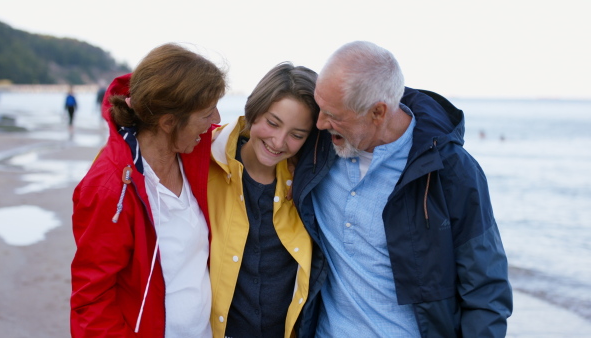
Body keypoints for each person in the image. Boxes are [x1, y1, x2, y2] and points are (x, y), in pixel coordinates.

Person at [292, 41, 513, 337]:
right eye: (320, 108)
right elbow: (260, 138)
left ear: (378, 113)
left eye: (334, 115)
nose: (319, 123)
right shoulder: (319, 147)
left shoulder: (452, 172)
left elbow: (486, 291)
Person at [70, 43, 226, 337]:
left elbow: (255, 137)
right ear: (168, 122)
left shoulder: (194, 155)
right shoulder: (109, 186)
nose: (215, 121)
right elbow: (91, 302)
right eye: (207, 114)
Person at [208, 62, 319, 338]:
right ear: (254, 111)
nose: (279, 142)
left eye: (297, 135)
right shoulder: (206, 160)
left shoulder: (310, 184)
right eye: (272, 123)